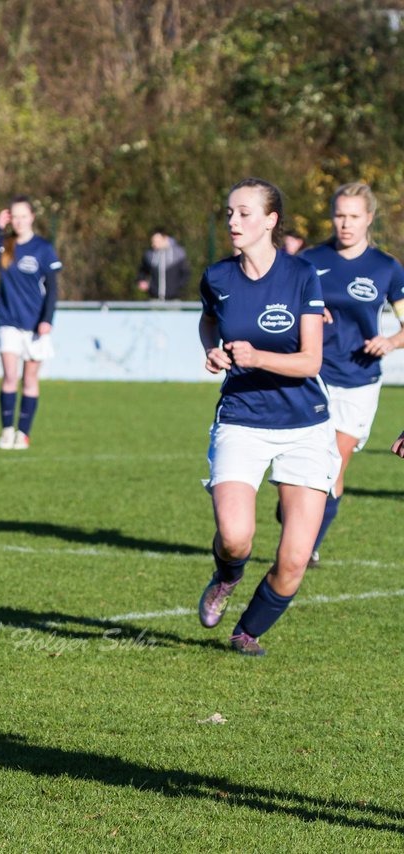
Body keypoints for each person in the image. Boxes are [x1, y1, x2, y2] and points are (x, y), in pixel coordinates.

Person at [195, 178, 338, 656]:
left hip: (305, 424)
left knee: (295, 558)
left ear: (271, 220)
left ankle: (247, 631)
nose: (233, 222)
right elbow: (209, 321)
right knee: (235, 539)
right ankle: (225, 577)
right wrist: (212, 351)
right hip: (241, 418)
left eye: (244, 213)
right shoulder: (217, 276)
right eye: (229, 213)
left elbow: (311, 362)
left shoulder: (303, 275)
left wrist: (256, 357)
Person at [293, 183, 404, 564]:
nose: (346, 223)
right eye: (340, 215)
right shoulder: (310, 260)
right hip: (313, 374)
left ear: (369, 218)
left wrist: (390, 342)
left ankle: (308, 543)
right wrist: (305, 314)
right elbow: (283, 310)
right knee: (305, 465)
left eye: (354, 216)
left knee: (333, 465)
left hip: (359, 380)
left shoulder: (386, 268)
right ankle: (299, 523)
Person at [0, 196, 61, 450]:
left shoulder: (44, 248)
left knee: (30, 379)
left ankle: (23, 433)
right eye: (15, 216)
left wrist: (47, 320)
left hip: (35, 324)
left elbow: (53, 289)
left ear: (32, 217)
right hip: (8, 321)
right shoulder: (4, 245)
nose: (19, 221)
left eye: (24, 216)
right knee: (10, 376)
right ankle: (7, 430)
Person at [136, 227, 191, 301]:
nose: (153, 244)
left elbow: (186, 274)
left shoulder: (179, 254)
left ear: (165, 238)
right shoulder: (149, 255)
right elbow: (142, 271)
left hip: (173, 299)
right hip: (154, 298)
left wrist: (176, 288)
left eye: (156, 241)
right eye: (152, 242)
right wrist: (142, 281)